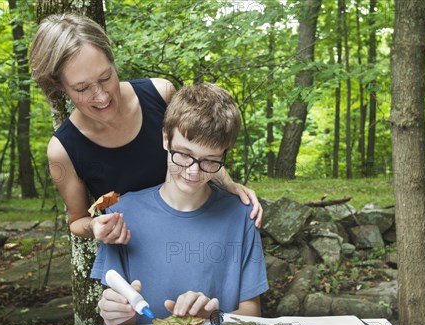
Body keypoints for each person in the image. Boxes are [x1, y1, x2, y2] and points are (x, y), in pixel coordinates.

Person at [29, 14, 262, 246]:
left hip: (201, 234)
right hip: (139, 255)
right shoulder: (63, 150)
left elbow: (200, 150)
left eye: (105, 77)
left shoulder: (161, 94)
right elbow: (77, 220)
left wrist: (228, 184)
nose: (101, 96)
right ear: (59, 85)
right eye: (82, 88)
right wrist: (95, 228)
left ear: (112, 62)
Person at [91, 83, 268, 325]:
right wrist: (115, 314)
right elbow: (117, 319)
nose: (193, 171)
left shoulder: (241, 216)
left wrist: (212, 320)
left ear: (224, 154)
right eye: (183, 154)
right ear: (165, 138)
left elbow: (252, 312)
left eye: (210, 160)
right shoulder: (122, 215)